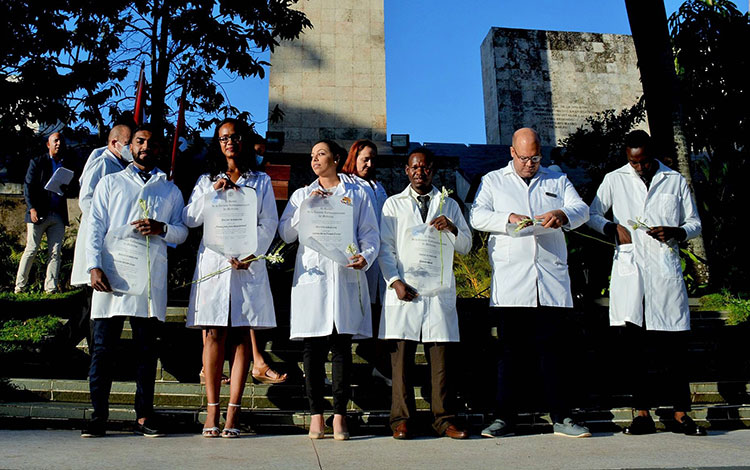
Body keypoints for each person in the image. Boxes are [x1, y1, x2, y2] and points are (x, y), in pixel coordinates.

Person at [469, 127, 591, 438]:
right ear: (512, 152)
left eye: (535, 158)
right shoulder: (494, 180)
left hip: (550, 280)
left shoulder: (556, 179)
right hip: (512, 284)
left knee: (554, 355)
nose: (529, 164)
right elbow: (477, 216)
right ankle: (504, 419)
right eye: (524, 158)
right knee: (510, 356)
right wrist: (506, 218)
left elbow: (582, 210)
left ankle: (563, 418)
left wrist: (563, 215)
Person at [587, 130, 706, 436]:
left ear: (652, 155)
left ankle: (681, 414)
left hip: (664, 273)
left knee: (674, 349)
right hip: (632, 270)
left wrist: (676, 232)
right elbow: (592, 213)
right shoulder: (614, 179)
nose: (639, 168)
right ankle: (642, 414)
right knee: (636, 350)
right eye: (633, 162)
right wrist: (612, 228)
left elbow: (693, 223)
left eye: (643, 162)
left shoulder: (675, 180)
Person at [81, 125, 188, 438]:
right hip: (112, 277)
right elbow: (95, 227)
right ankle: (98, 415)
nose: (145, 147)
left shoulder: (169, 188)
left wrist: (162, 228)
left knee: (146, 351)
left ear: (158, 149)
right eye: (139, 141)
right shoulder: (111, 182)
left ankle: (144, 416)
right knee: (103, 350)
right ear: (130, 146)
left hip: (147, 281)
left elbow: (182, 232)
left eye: (151, 143)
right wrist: (93, 266)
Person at [183, 118, 280, 438]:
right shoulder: (206, 180)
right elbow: (190, 218)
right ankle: (212, 409)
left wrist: (252, 252)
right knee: (213, 332)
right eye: (223, 138)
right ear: (218, 143)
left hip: (246, 264)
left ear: (243, 141)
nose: (229, 142)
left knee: (240, 335)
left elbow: (269, 223)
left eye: (235, 137)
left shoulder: (261, 181)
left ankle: (233, 414)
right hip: (215, 263)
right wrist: (212, 192)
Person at [279, 139, 379, 440]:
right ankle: (316, 415)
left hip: (345, 275)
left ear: (336, 157)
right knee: (312, 349)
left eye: (320, 154)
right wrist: (307, 204)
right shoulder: (301, 195)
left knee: (341, 348)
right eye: (311, 155)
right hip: (313, 279)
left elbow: (370, 233)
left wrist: (367, 255)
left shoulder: (357, 193)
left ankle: (339, 416)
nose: (314, 159)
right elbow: (286, 232)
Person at [379, 147, 472, 439]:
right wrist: (395, 281)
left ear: (433, 170)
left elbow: (467, 245)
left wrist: (453, 228)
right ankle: (401, 420)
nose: (420, 172)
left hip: (437, 292)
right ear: (407, 171)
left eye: (425, 167)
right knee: (401, 361)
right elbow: (385, 248)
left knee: (441, 361)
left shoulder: (450, 205)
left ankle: (444, 419)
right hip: (404, 290)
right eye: (414, 167)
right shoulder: (393, 205)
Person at [69, 124, 132, 347]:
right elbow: (86, 199)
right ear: (114, 143)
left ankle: (70, 349)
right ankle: (74, 350)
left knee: (92, 307)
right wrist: (106, 222)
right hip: (98, 239)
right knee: (91, 305)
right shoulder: (102, 163)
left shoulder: (121, 166)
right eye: (128, 143)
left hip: (112, 245)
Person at [340, 139, 391, 386]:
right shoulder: (344, 183)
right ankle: (342, 370)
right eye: (364, 159)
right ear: (354, 158)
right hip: (353, 258)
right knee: (350, 314)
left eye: (372, 160)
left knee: (376, 312)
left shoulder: (378, 186)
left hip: (377, 259)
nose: (369, 164)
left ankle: (379, 366)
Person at [15, 132, 77, 294]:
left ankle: (51, 287)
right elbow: (28, 186)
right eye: (55, 141)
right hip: (38, 212)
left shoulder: (66, 165)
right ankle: (19, 287)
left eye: (61, 141)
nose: (59, 144)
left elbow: (72, 188)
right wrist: (32, 208)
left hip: (57, 213)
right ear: (48, 144)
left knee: (55, 252)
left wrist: (66, 188)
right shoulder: (37, 162)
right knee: (32, 249)